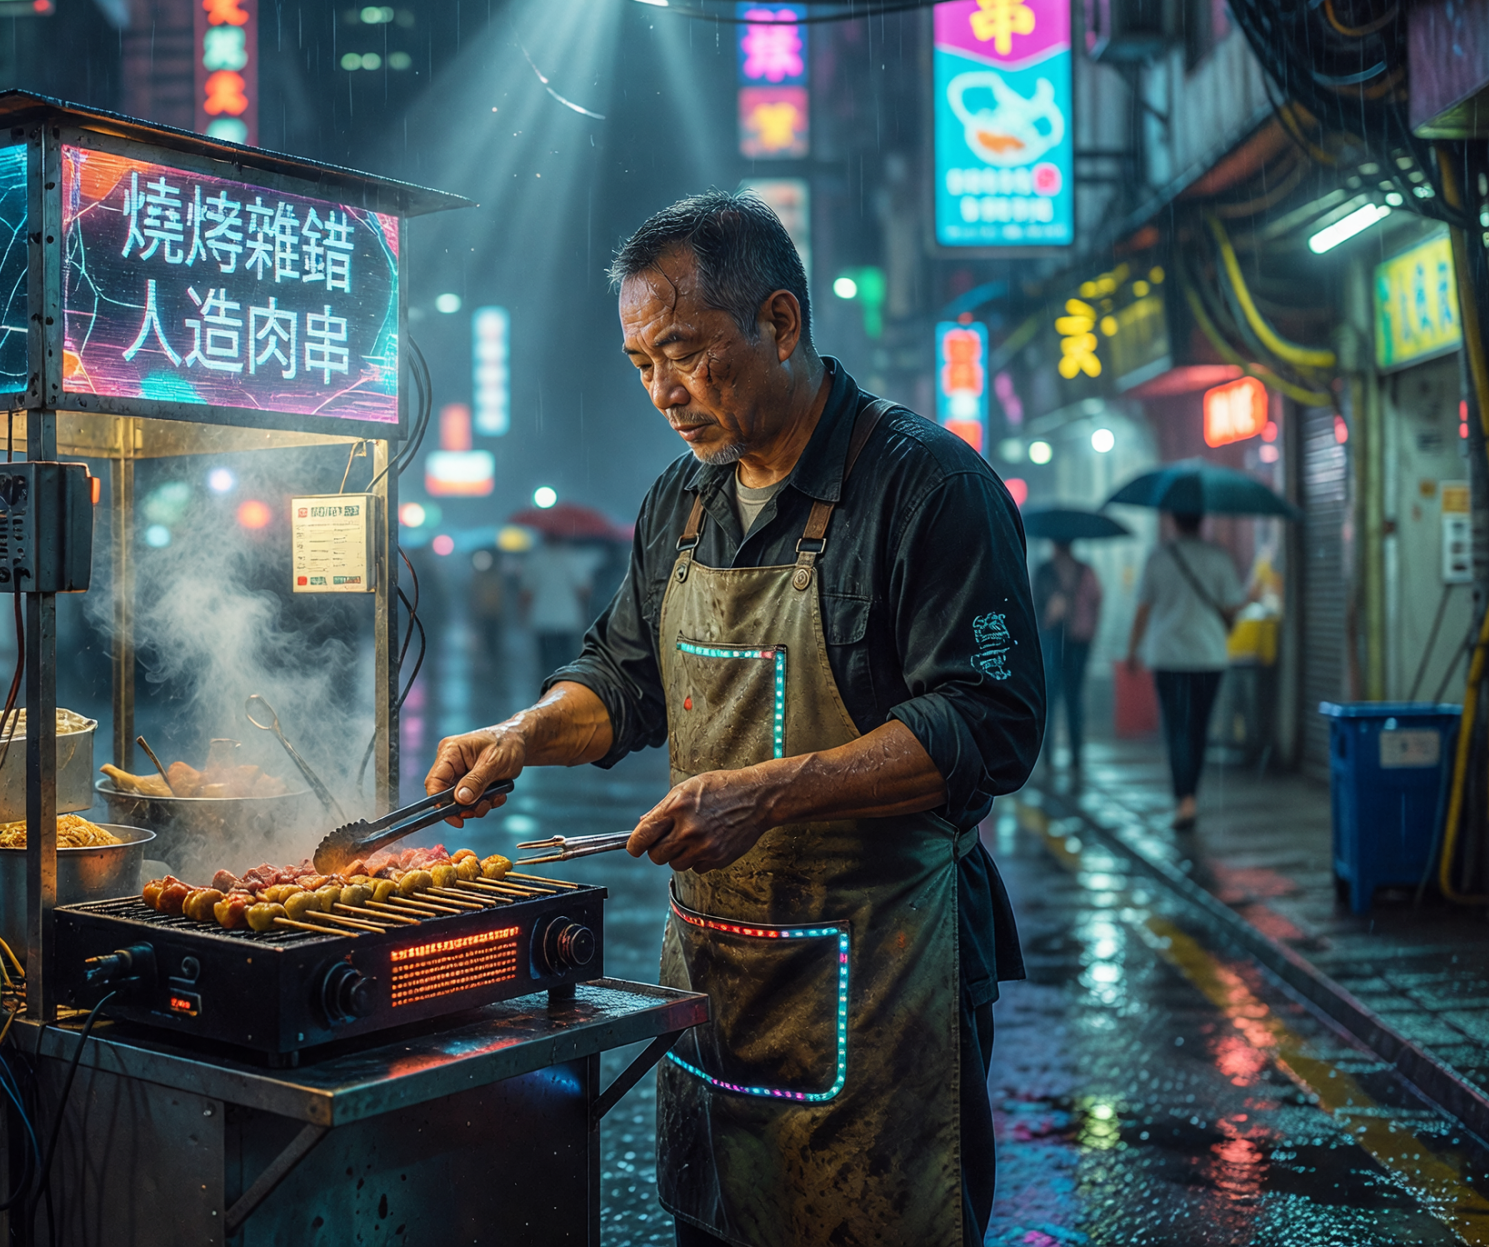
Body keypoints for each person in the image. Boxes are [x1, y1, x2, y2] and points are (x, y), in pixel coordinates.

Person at [422, 191, 1043, 1247]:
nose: (664, 392)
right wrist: (525, 732)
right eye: (639, 364)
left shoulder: (926, 486)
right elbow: (623, 677)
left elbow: (988, 721)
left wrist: (770, 791)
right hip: (715, 976)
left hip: (883, 972)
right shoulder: (682, 499)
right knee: (716, 1222)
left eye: (686, 353)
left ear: (780, 323)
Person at [1123, 509, 1249, 827]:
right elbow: (1233, 608)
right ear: (1202, 520)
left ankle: (1185, 800)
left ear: (1174, 521)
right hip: (1209, 656)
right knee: (1198, 729)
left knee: (1177, 729)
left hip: (1168, 657)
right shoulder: (1219, 557)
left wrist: (1132, 650)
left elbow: (1142, 610)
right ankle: (1190, 794)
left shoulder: (1158, 557)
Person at [1033, 538, 1102, 774]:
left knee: (1069, 699)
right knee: (1055, 699)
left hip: (1073, 642)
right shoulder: (1051, 570)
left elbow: (1095, 601)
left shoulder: (1053, 570)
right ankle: (1052, 755)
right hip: (1056, 639)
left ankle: (1071, 755)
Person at [518, 532, 604, 678]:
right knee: (566, 665)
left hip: (541, 620)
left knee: (545, 665)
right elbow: (584, 591)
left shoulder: (535, 560)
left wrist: (523, 616)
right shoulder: (572, 558)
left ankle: (546, 695)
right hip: (567, 620)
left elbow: (526, 594)